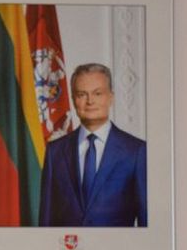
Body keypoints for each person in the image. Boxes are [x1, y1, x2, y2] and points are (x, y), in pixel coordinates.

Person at [39, 62, 147, 227]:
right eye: (82, 94)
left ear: (111, 97)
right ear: (73, 100)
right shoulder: (55, 152)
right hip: (69, 244)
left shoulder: (136, 151)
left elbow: (146, 223)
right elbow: (45, 221)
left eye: (98, 93)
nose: (90, 101)